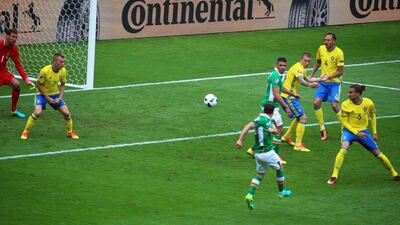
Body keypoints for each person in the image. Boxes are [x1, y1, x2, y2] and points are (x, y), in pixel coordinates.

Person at [327, 85, 400, 185]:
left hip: (364, 132)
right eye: (349, 92)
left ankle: (394, 173)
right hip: (349, 131)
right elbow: (345, 122)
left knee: (378, 154)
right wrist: (356, 133)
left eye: (351, 92)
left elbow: (373, 115)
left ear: (357, 93)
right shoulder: (345, 104)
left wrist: (374, 132)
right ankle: (334, 176)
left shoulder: (368, 103)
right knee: (343, 149)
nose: (348, 94)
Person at [236, 103, 292, 210]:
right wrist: (273, 130)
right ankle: (281, 192)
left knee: (260, 174)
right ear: (272, 112)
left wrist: (240, 140)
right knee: (280, 167)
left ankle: (250, 195)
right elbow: (274, 131)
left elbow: (248, 126)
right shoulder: (266, 121)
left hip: (257, 153)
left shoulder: (258, 119)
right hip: (267, 152)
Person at [247, 57, 300, 161]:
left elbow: (281, 88)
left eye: (284, 66)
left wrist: (292, 93)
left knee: (264, 128)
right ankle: (275, 155)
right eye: (281, 65)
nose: (283, 67)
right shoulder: (275, 76)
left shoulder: (280, 75)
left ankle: (253, 149)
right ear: (276, 65)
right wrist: (286, 107)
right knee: (279, 130)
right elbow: (276, 94)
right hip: (270, 106)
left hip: (270, 106)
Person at [20, 53, 79, 140]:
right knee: (37, 112)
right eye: (61, 62)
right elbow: (39, 85)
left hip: (55, 94)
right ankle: (26, 131)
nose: (63, 64)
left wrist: (60, 97)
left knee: (66, 113)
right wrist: (47, 98)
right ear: (55, 61)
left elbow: (63, 84)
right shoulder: (45, 71)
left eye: (63, 62)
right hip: (41, 94)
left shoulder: (63, 71)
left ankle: (70, 132)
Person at [280, 53, 327, 152]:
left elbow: (308, 79)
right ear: (301, 59)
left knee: (299, 117)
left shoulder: (301, 68)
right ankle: (298, 144)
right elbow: (301, 81)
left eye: (309, 61)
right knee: (303, 118)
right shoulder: (299, 68)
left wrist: (320, 79)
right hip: (289, 97)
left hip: (290, 96)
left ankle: (286, 136)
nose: (307, 63)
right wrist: (311, 85)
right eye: (305, 60)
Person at [310, 32, 344, 141]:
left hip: (335, 83)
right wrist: (311, 75)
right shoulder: (321, 49)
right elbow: (318, 62)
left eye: (328, 40)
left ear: (334, 41)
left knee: (334, 105)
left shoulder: (339, 53)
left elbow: (340, 71)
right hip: (323, 83)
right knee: (316, 103)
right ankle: (322, 129)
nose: (326, 42)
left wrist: (328, 76)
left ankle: (345, 128)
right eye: (325, 40)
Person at [0, 28, 35, 118]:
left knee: (17, 85)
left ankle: (14, 110)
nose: (15, 39)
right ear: (7, 36)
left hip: (2, 71)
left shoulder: (14, 49)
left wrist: (26, 79)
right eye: (13, 37)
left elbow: (18, 65)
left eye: (16, 37)